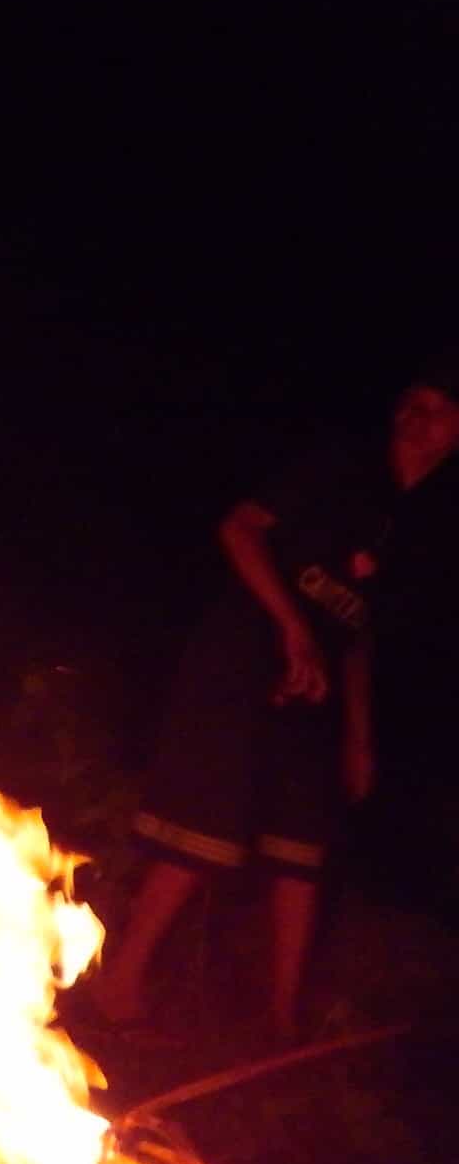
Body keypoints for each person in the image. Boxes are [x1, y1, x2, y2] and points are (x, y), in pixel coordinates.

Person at [95, 370, 459, 1043]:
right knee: (205, 824)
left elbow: (358, 636)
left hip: (315, 682)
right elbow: (238, 530)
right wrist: (291, 628)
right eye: (411, 400)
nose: (417, 415)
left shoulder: (420, 529)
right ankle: (120, 982)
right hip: (244, 648)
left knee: (305, 842)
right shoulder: (341, 466)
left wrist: (359, 738)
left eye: (438, 409)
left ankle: (282, 1017)